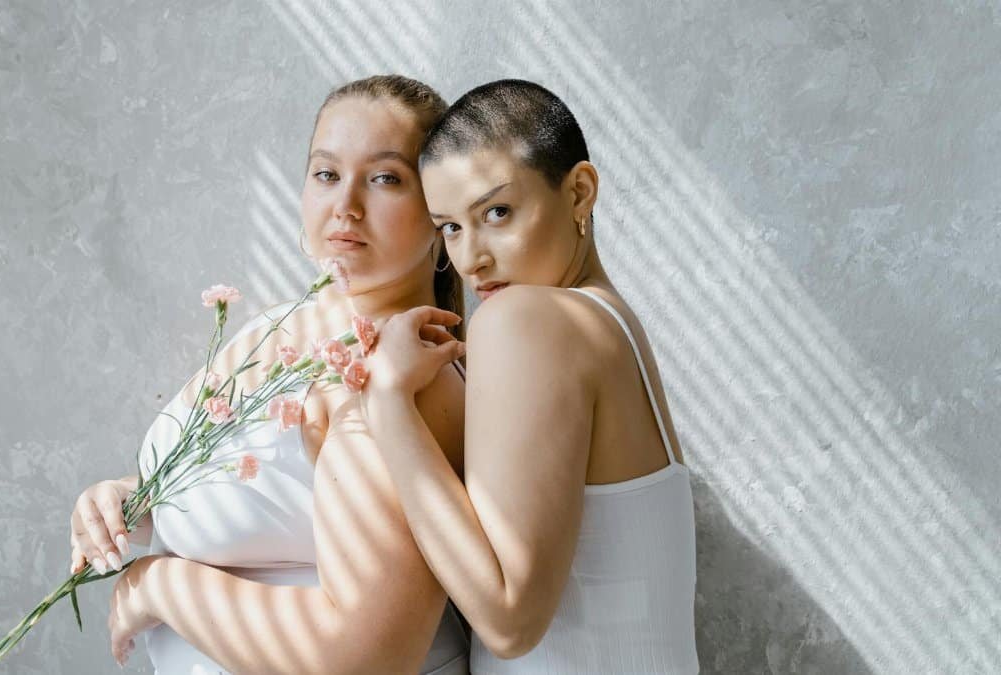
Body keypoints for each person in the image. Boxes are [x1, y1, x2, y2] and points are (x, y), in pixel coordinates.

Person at [68, 75, 471, 674]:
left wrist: (154, 584)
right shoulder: (278, 328)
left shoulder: (402, 379)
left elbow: (367, 659)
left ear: (441, 219)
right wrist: (130, 498)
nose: (346, 205)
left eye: (385, 178)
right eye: (326, 174)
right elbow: (257, 486)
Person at [361, 79, 700, 674]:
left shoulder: (526, 318)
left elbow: (509, 620)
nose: (471, 260)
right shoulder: (611, 328)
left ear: (580, 192)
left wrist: (388, 401)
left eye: (496, 212)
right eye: (450, 227)